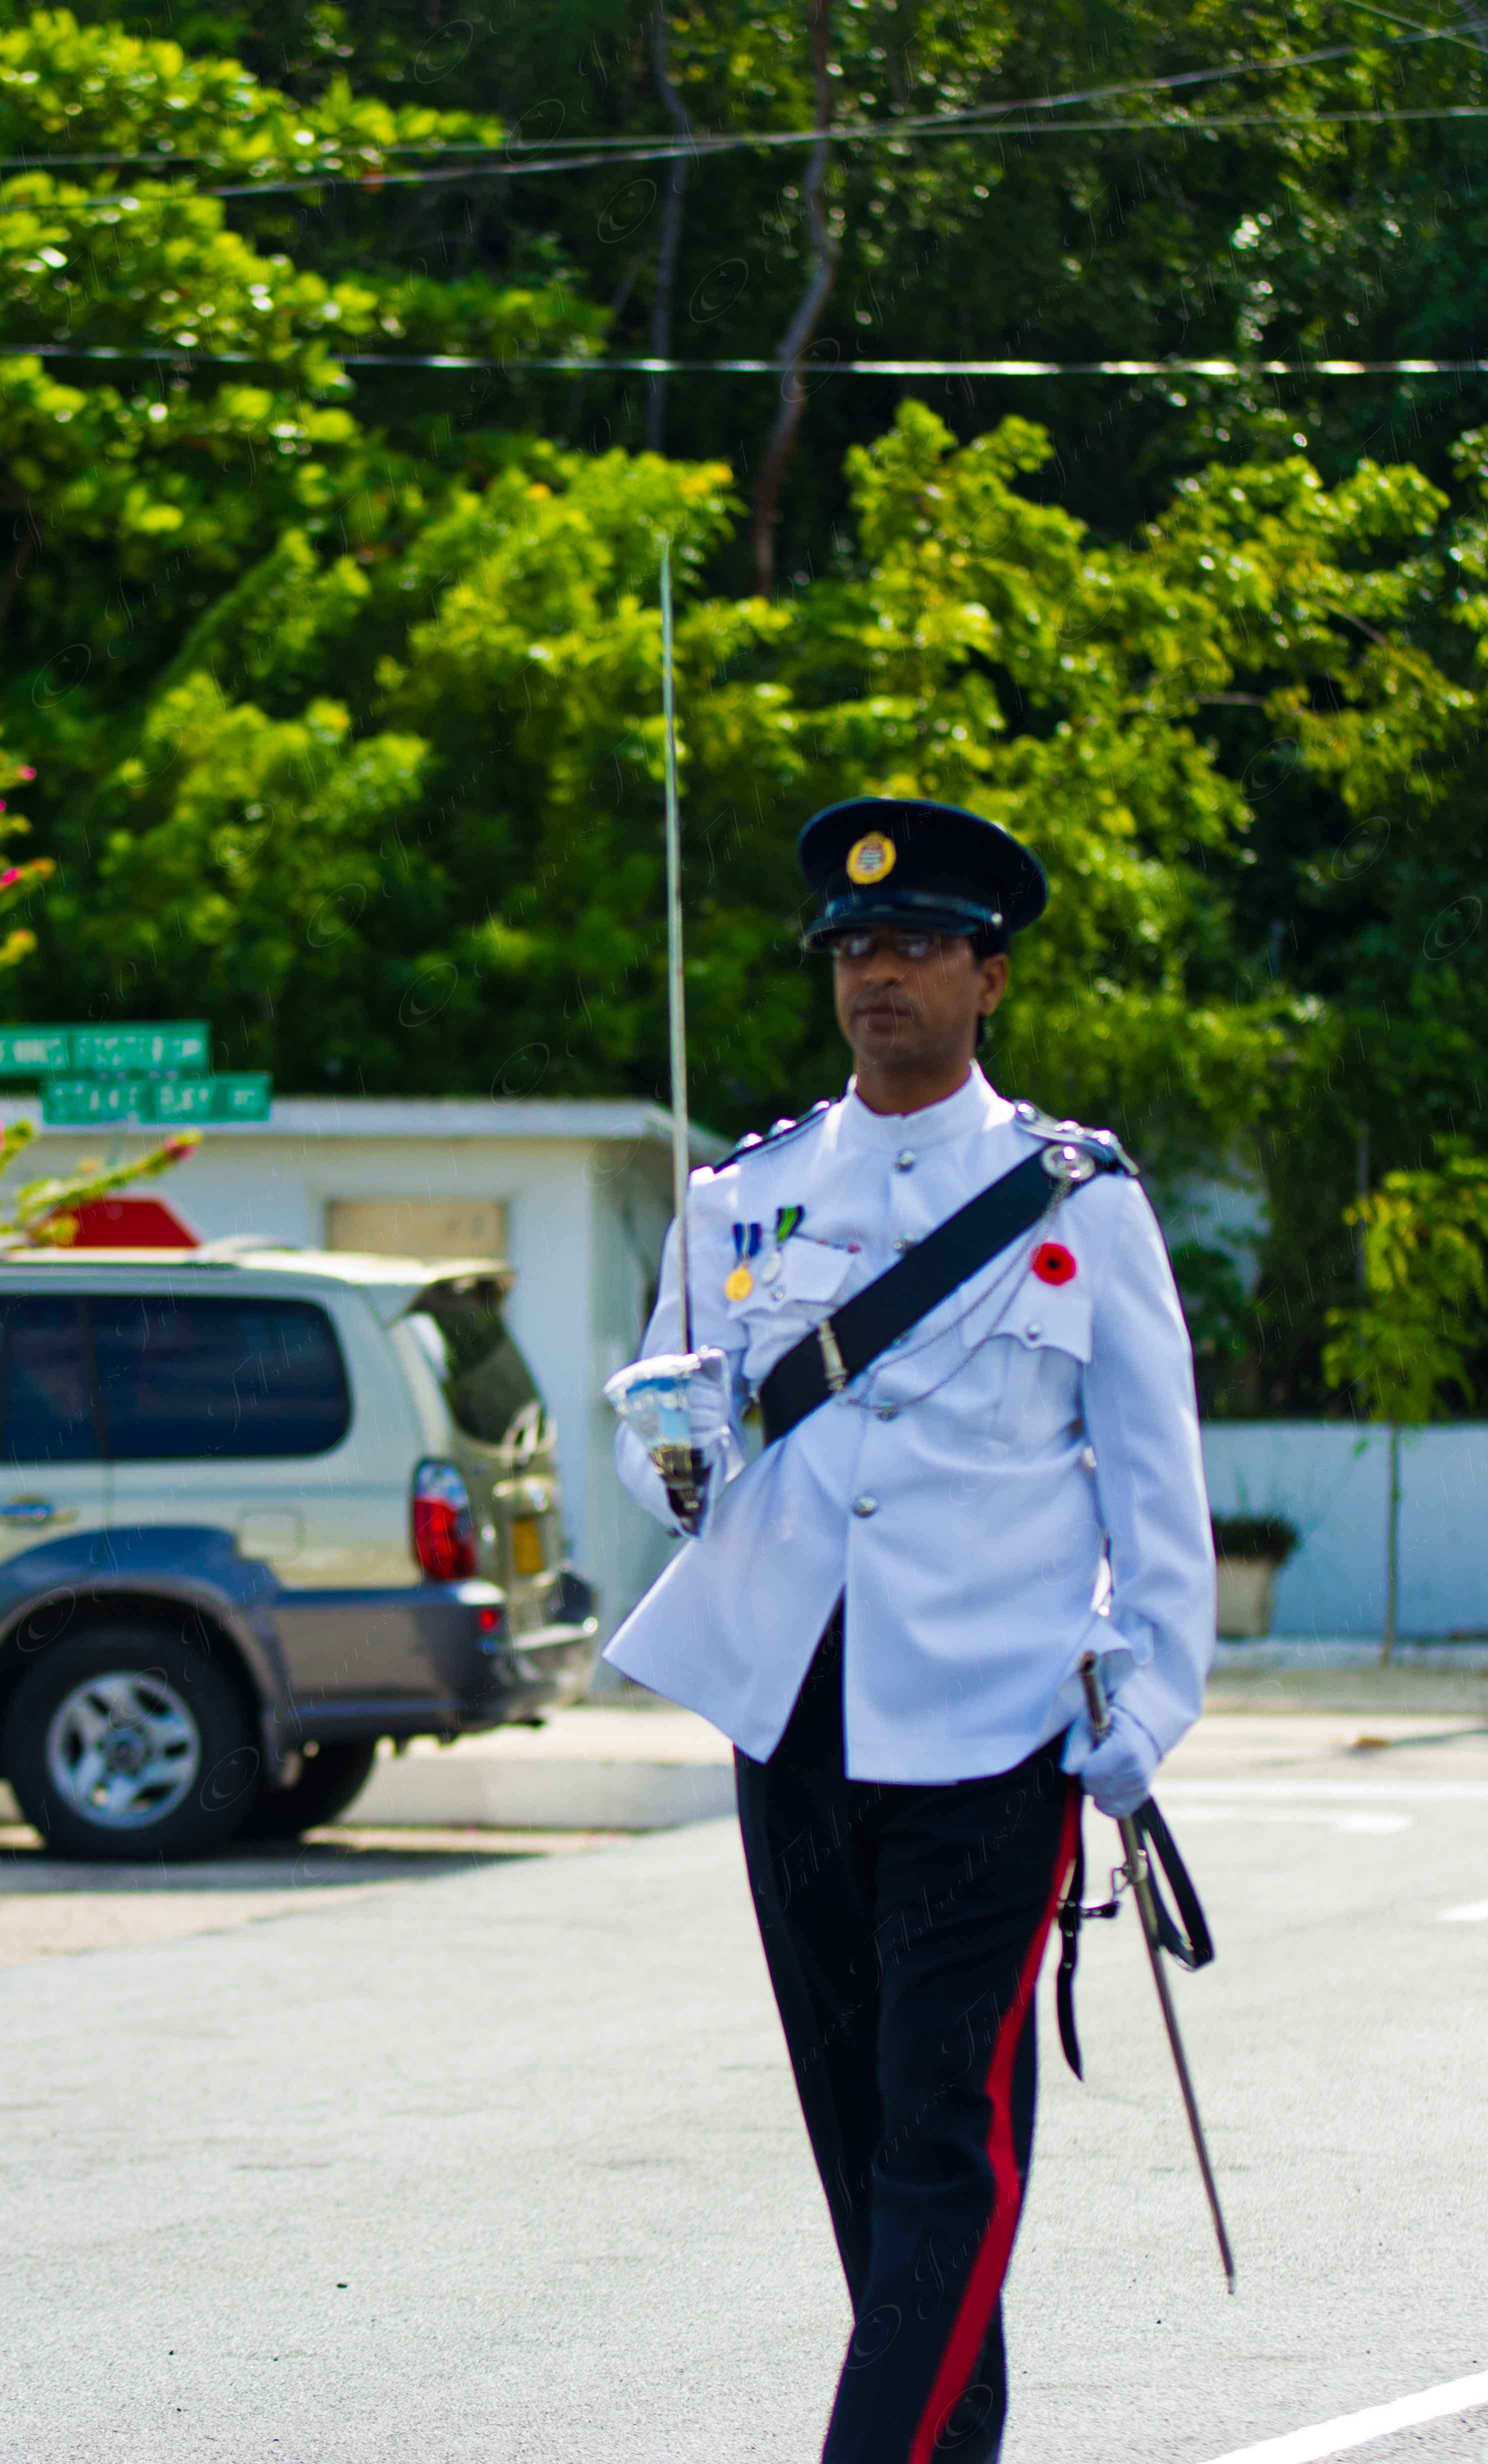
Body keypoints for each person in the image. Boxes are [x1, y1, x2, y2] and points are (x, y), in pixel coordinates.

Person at [603, 796, 1215, 2464]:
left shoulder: (1076, 1202)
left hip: (989, 1726)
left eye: (920, 947)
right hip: (794, 1717)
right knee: (868, 2155)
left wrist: (1147, 1703)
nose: (880, 975)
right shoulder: (742, 1198)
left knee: (946, 2139)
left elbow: (1156, 1483)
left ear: (988, 977)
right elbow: (669, 1441)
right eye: (856, 948)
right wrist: (666, 1449)